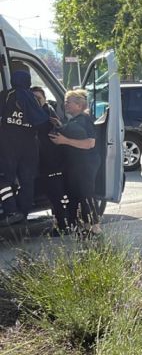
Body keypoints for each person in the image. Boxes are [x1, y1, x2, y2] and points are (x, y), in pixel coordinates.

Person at [1, 70, 56, 225]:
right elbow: (43, 123)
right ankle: (22, 215)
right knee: (27, 182)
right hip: (29, 148)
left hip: (7, 147)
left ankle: (11, 210)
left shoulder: (5, 96)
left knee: (5, 179)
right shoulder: (33, 99)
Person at [50, 89, 100, 235]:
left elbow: (89, 143)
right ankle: (81, 225)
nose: (65, 104)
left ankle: (94, 226)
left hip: (86, 163)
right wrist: (60, 126)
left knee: (86, 194)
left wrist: (64, 141)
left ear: (79, 105)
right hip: (75, 164)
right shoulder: (74, 119)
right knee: (75, 194)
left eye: (68, 102)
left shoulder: (85, 120)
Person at [31, 86, 71, 235]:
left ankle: (62, 226)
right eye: (32, 98)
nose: (35, 101)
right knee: (52, 194)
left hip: (52, 162)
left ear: (44, 99)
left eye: (38, 98)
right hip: (41, 162)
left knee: (56, 195)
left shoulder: (47, 113)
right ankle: (60, 224)